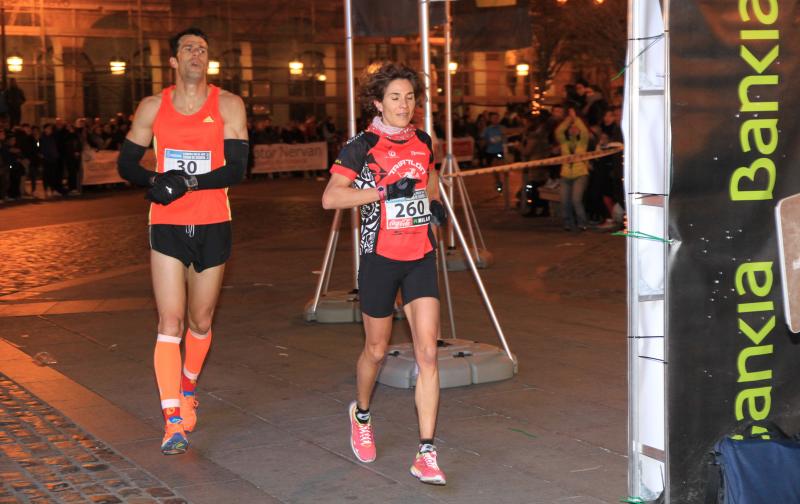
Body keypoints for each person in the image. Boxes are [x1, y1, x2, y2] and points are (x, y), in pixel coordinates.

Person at [116, 27, 249, 456]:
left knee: (201, 320)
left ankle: (188, 384)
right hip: (167, 225)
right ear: (173, 61)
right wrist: (158, 180)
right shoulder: (153, 106)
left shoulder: (228, 104)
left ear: (208, 61)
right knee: (169, 323)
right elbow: (126, 163)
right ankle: (173, 419)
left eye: (203, 49)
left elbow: (237, 169)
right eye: (188, 48)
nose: (196, 53)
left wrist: (187, 181)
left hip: (213, 221)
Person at [321, 61, 448, 486]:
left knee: (428, 354)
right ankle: (360, 413)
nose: (404, 105)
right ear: (378, 102)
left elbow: (429, 178)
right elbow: (330, 199)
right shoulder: (360, 146)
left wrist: (432, 204)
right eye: (395, 97)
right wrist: (380, 191)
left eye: (410, 97)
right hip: (378, 259)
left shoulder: (424, 141)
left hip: (419, 257)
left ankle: (426, 452)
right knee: (376, 350)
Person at [555, 106, 591, 231]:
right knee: (564, 201)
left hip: (580, 174)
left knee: (576, 200)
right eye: (571, 128)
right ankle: (568, 223)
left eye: (576, 128)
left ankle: (582, 223)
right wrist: (568, 120)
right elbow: (559, 131)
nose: (573, 129)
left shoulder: (583, 142)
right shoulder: (564, 142)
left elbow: (585, 131)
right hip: (565, 175)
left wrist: (575, 119)